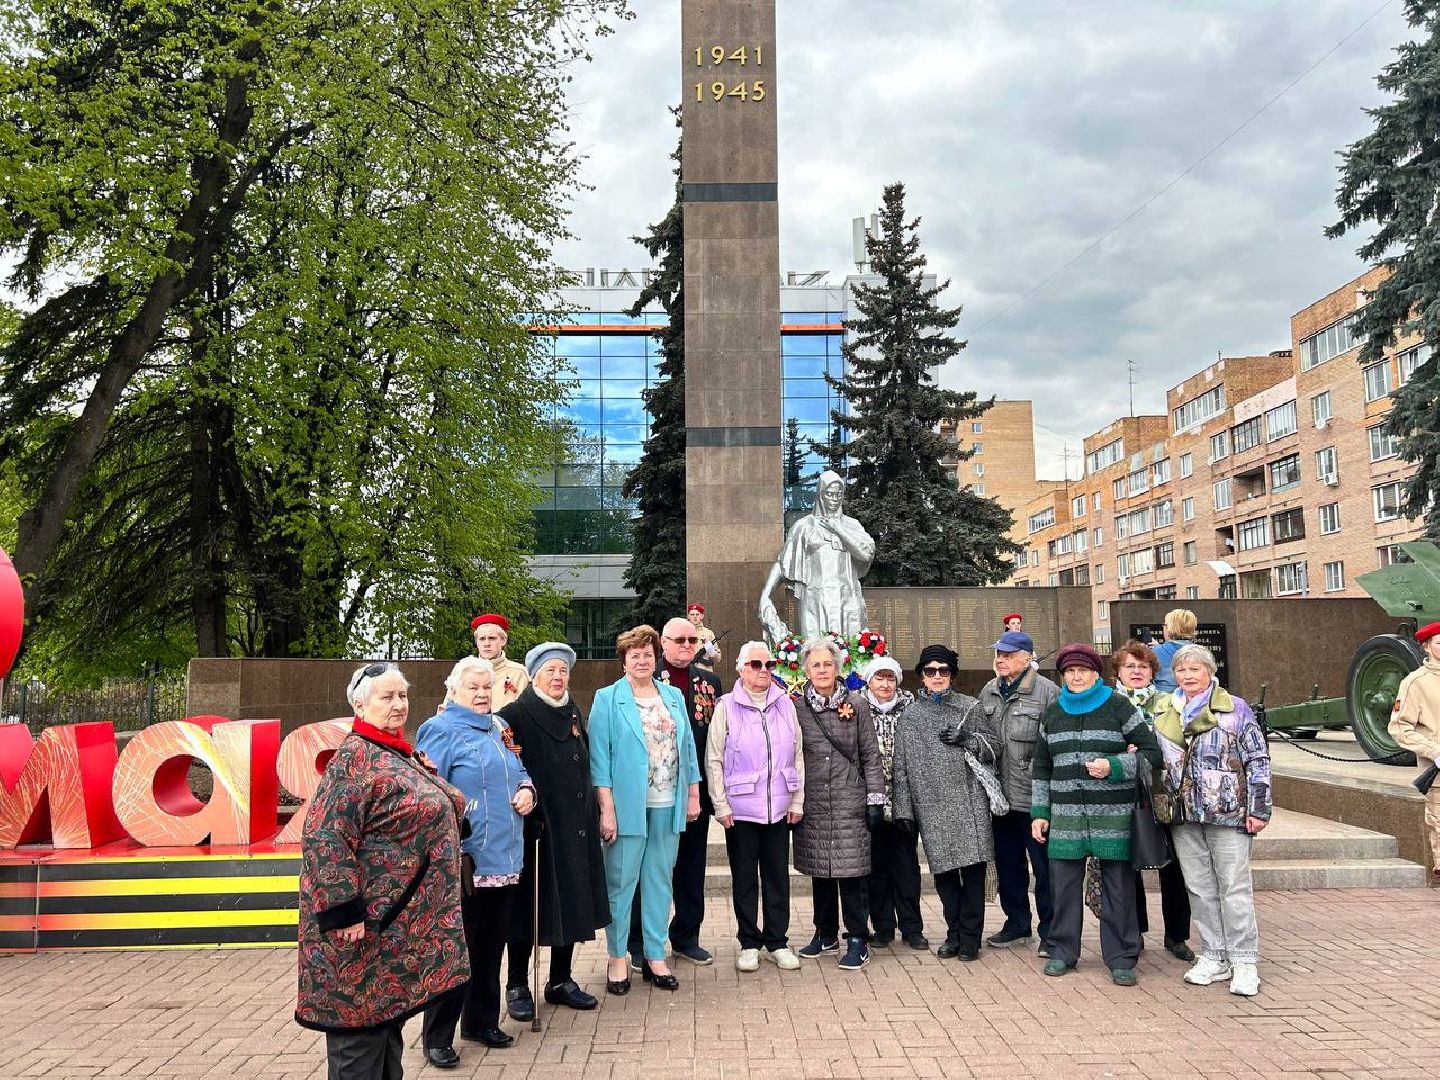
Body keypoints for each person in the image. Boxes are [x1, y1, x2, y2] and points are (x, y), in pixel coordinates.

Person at [296, 663, 469, 1080]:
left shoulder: (392, 752)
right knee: (359, 1039)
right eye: (386, 697)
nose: (398, 705)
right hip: (363, 931)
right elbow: (324, 837)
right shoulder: (355, 760)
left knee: (384, 1029)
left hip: (391, 931)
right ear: (360, 703)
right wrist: (343, 912)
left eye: (402, 696)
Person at [415, 658, 536, 1067]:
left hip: (505, 855)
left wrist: (527, 790)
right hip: (463, 861)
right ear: (454, 690)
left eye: (487, 686)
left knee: (490, 945)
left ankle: (481, 1021)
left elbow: (519, 769)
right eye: (473, 687)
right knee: (455, 950)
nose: (483, 693)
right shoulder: (439, 729)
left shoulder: (500, 727)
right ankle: (438, 1035)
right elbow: (429, 791)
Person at [1031, 643, 1161, 987]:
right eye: (1070, 672)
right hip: (1066, 816)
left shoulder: (1118, 706)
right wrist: (1040, 811)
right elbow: (1042, 767)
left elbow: (1152, 753)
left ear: (1095, 674)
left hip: (1113, 815)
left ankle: (1122, 956)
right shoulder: (1053, 712)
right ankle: (1062, 950)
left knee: (1118, 889)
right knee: (1063, 888)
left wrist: (1115, 765)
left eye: (1083, 671)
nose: (1076, 677)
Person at [1150, 643, 1271, 997]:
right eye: (1181, 670)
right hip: (1184, 814)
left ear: (1210, 672)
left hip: (1228, 812)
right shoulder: (1163, 710)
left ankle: (1244, 960)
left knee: (1234, 886)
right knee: (1199, 888)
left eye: (1195, 670)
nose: (1187, 676)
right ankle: (1214, 954)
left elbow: (1258, 760)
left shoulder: (1234, 709)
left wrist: (1259, 810)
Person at [499, 643, 609, 1023]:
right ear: (533, 675)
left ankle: (560, 979)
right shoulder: (514, 715)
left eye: (563, 671)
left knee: (572, 901)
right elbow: (507, 772)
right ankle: (516, 984)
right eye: (550, 671)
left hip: (575, 826)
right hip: (539, 830)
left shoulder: (572, 709)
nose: (558, 677)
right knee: (530, 908)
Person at [590, 625, 702, 994]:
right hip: (627, 807)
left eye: (647, 654)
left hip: (667, 804)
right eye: (634, 655)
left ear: (656, 659)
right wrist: (606, 809)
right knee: (621, 882)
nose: (642, 660)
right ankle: (618, 956)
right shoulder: (608, 699)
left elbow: (687, 748)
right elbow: (599, 760)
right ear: (623, 661)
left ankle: (655, 954)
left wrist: (692, 794)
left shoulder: (672, 697)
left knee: (659, 880)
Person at [891, 645, 1001, 961]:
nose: (937, 676)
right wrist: (903, 810)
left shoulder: (970, 707)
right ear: (922, 675)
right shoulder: (910, 716)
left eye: (943, 670)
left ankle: (970, 937)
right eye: (930, 671)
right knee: (945, 877)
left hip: (970, 803)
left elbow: (995, 750)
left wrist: (968, 740)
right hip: (932, 806)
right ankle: (954, 933)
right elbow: (901, 765)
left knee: (974, 873)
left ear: (951, 674)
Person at [627, 616, 722, 966]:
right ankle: (638, 942)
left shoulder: (710, 681)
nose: (686, 645)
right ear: (662, 643)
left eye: (691, 640)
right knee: (646, 867)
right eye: (678, 639)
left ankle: (685, 935)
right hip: (654, 790)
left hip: (694, 790)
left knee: (691, 866)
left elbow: (715, 736)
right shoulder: (645, 680)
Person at [706, 640, 805, 972]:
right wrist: (720, 804)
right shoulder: (726, 706)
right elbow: (714, 759)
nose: (764, 671)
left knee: (777, 876)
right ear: (741, 669)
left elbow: (797, 753)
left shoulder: (784, 704)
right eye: (756, 665)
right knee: (745, 877)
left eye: (769, 665)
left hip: (778, 807)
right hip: (741, 809)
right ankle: (749, 941)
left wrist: (797, 798)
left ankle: (777, 941)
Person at [791, 636, 885, 971]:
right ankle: (825, 932)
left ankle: (858, 936)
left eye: (827, 664)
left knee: (852, 870)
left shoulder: (857, 704)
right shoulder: (796, 705)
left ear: (837, 667)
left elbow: (871, 756)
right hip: (814, 799)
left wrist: (875, 799)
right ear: (806, 669)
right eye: (815, 664)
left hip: (849, 799)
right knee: (821, 870)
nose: (821, 670)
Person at [1111, 640, 1194, 963]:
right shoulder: (1109, 704)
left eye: (1143, 667)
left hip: (1164, 791)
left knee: (1173, 866)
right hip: (1121, 792)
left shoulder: (1169, 702)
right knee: (1126, 865)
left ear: (1152, 672)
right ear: (1118, 671)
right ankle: (1135, 930)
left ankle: (1177, 935)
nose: (1136, 672)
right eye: (1129, 666)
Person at [978, 629, 1058, 955]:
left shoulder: (1048, 692)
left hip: (1034, 798)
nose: (1000, 660)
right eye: (998, 654)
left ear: (1026, 658)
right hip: (999, 800)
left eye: (1008, 655)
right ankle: (1017, 924)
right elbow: (984, 739)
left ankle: (1052, 931)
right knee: (1009, 866)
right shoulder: (989, 690)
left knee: (1045, 869)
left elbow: (1053, 749)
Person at [758, 470, 876, 642]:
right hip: (815, 598)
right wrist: (765, 594)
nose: (834, 500)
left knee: (851, 653)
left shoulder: (852, 525)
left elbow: (865, 554)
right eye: (829, 494)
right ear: (820, 495)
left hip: (847, 598)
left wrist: (838, 529)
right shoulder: (804, 527)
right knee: (815, 654)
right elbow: (782, 565)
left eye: (838, 495)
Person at [860, 655, 927, 950]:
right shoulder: (856, 708)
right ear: (869, 680)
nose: (885, 684)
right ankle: (884, 926)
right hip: (870, 801)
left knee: (906, 866)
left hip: (904, 801)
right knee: (876, 867)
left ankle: (912, 927)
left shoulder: (912, 709)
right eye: (879, 678)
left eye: (890, 679)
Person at [1389, 621, 1440, 878]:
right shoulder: (1415, 682)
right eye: (1439, 643)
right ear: (1427, 646)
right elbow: (1399, 727)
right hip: (1437, 771)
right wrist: (1434, 752)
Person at [472, 614, 530, 711]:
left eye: (492, 638)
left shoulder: (519, 673)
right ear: (476, 642)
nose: (486, 644)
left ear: (503, 640)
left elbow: (529, 712)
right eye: (482, 639)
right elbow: (447, 712)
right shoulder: (463, 672)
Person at [1151, 608, 1197, 695]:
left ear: (1169, 628)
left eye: (1164, 625)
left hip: (1163, 701)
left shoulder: (1155, 653)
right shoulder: (1202, 653)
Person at [687, 603, 721, 672]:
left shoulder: (708, 633)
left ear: (702, 616)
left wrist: (711, 651)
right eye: (692, 614)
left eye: (697, 614)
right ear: (688, 616)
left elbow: (718, 658)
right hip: (688, 670)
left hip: (705, 670)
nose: (695, 617)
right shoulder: (684, 633)